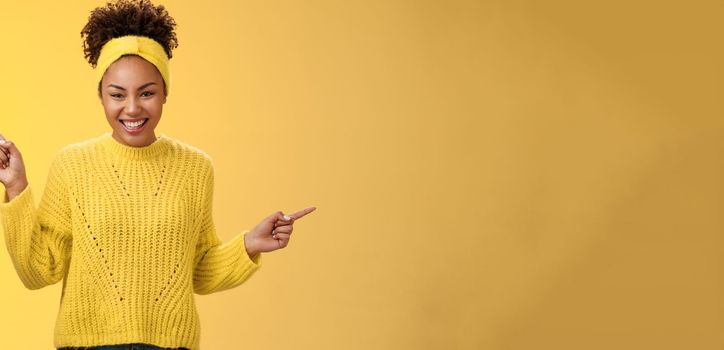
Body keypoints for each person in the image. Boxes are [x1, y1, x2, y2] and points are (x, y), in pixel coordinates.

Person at [0, 1, 316, 349]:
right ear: (101, 96)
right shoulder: (72, 165)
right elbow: (38, 270)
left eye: (147, 93)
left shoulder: (196, 168)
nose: (132, 108)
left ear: (165, 92)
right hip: (86, 345)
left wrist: (249, 244)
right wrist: (16, 186)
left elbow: (195, 269)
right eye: (117, 94)